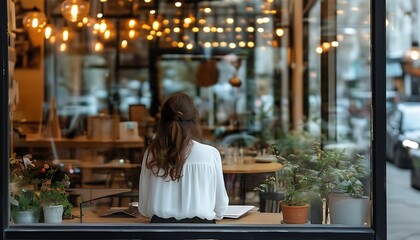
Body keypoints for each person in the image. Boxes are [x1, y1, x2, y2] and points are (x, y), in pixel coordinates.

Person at [138, 93, 229, 223]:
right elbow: (220, 209)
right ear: (194, 121)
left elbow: (144, 209)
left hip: (160, 234)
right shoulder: (210, 154)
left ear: (162, 122)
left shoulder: (151, 154)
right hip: (201, 235)